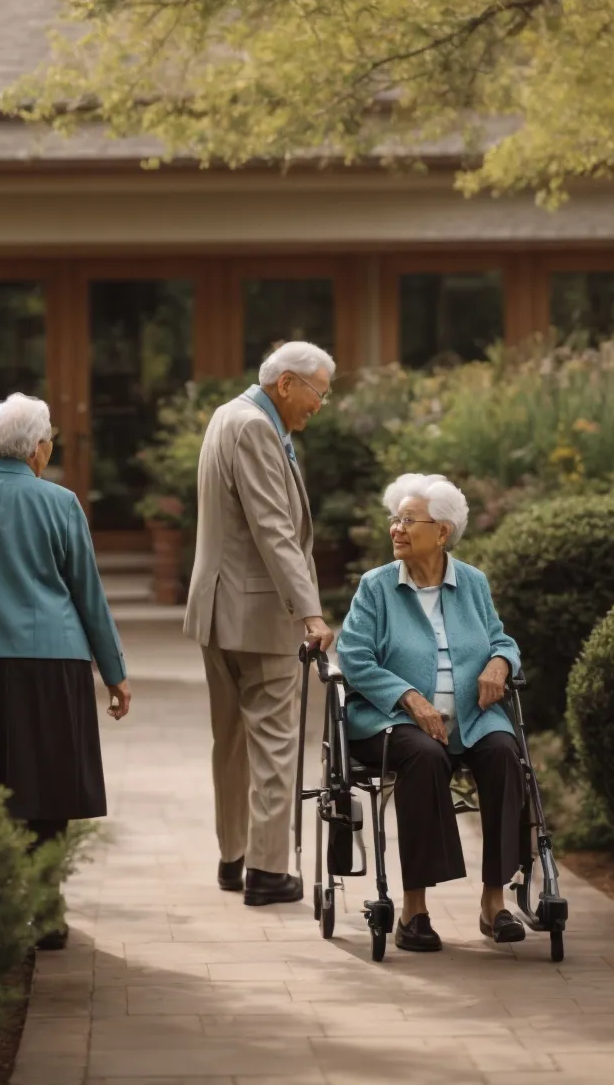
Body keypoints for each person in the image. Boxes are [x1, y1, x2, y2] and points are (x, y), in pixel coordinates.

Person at [0, 393, 132, 949]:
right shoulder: (59, 503)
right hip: (48, 660)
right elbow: (87, 591)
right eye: (50, 437)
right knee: (48, 784)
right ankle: (46, 907)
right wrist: (114, 671)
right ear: (39, 448)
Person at [334, 472, 527, 952]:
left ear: (441, 532)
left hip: (472, 718)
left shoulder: (473, 584)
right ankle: (414, 910)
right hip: (392, 721)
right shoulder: (376, 587)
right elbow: (354, 657)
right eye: (394, 519)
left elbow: (501, 638)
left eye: (408, 520)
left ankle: (494, 902)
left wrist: (501, 663)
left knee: (505, 753)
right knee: (424, 755)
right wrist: (408, 696)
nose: (396, 529)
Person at [184, 340, 337, 906]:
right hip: (256, 611)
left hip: (218, 610)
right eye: (319, 391)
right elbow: (273, 527)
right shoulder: (255, 427)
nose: (320, 404)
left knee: (231, 741)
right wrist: (312, 611)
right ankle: (268, 872)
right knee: (272, 743)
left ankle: (234, 857)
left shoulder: (227, 415)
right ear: (287, 383)